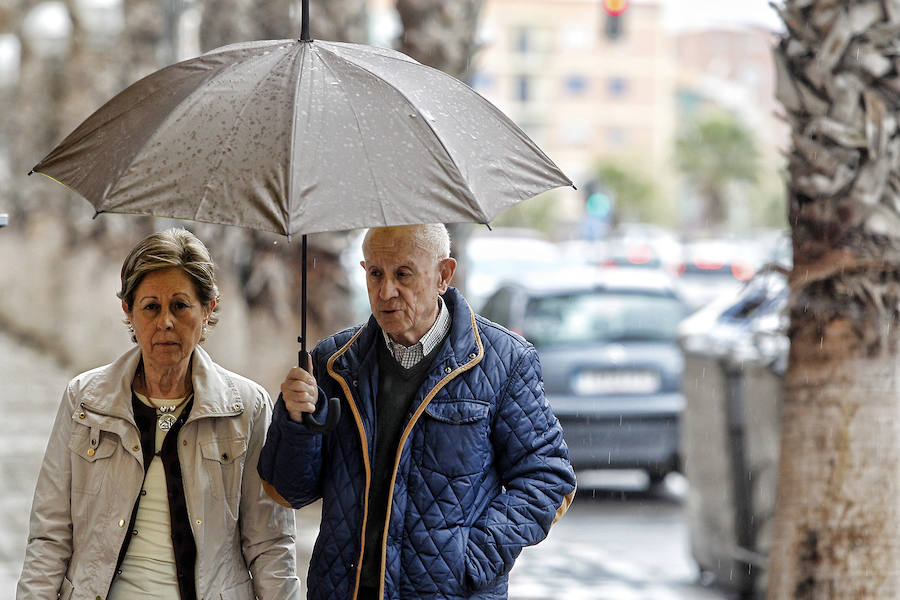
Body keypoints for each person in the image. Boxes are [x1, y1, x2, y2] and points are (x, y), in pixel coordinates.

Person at [258, 224, 576, 600]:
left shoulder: (504, 361)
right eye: (375, 273)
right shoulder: (333, 363)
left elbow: (548, 479)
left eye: (402, 274)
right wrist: (296, 423)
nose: (386, 290)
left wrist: (472, 557)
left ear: (443, 275)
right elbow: (288, 491)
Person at [17, 228, 300, 600]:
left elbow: (270, 545)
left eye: (180, 306)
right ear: (128, 311)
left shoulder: (247, 408)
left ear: (208, 308)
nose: (165, 322)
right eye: (151, 306)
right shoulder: (84, 402)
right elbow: (50, 537)